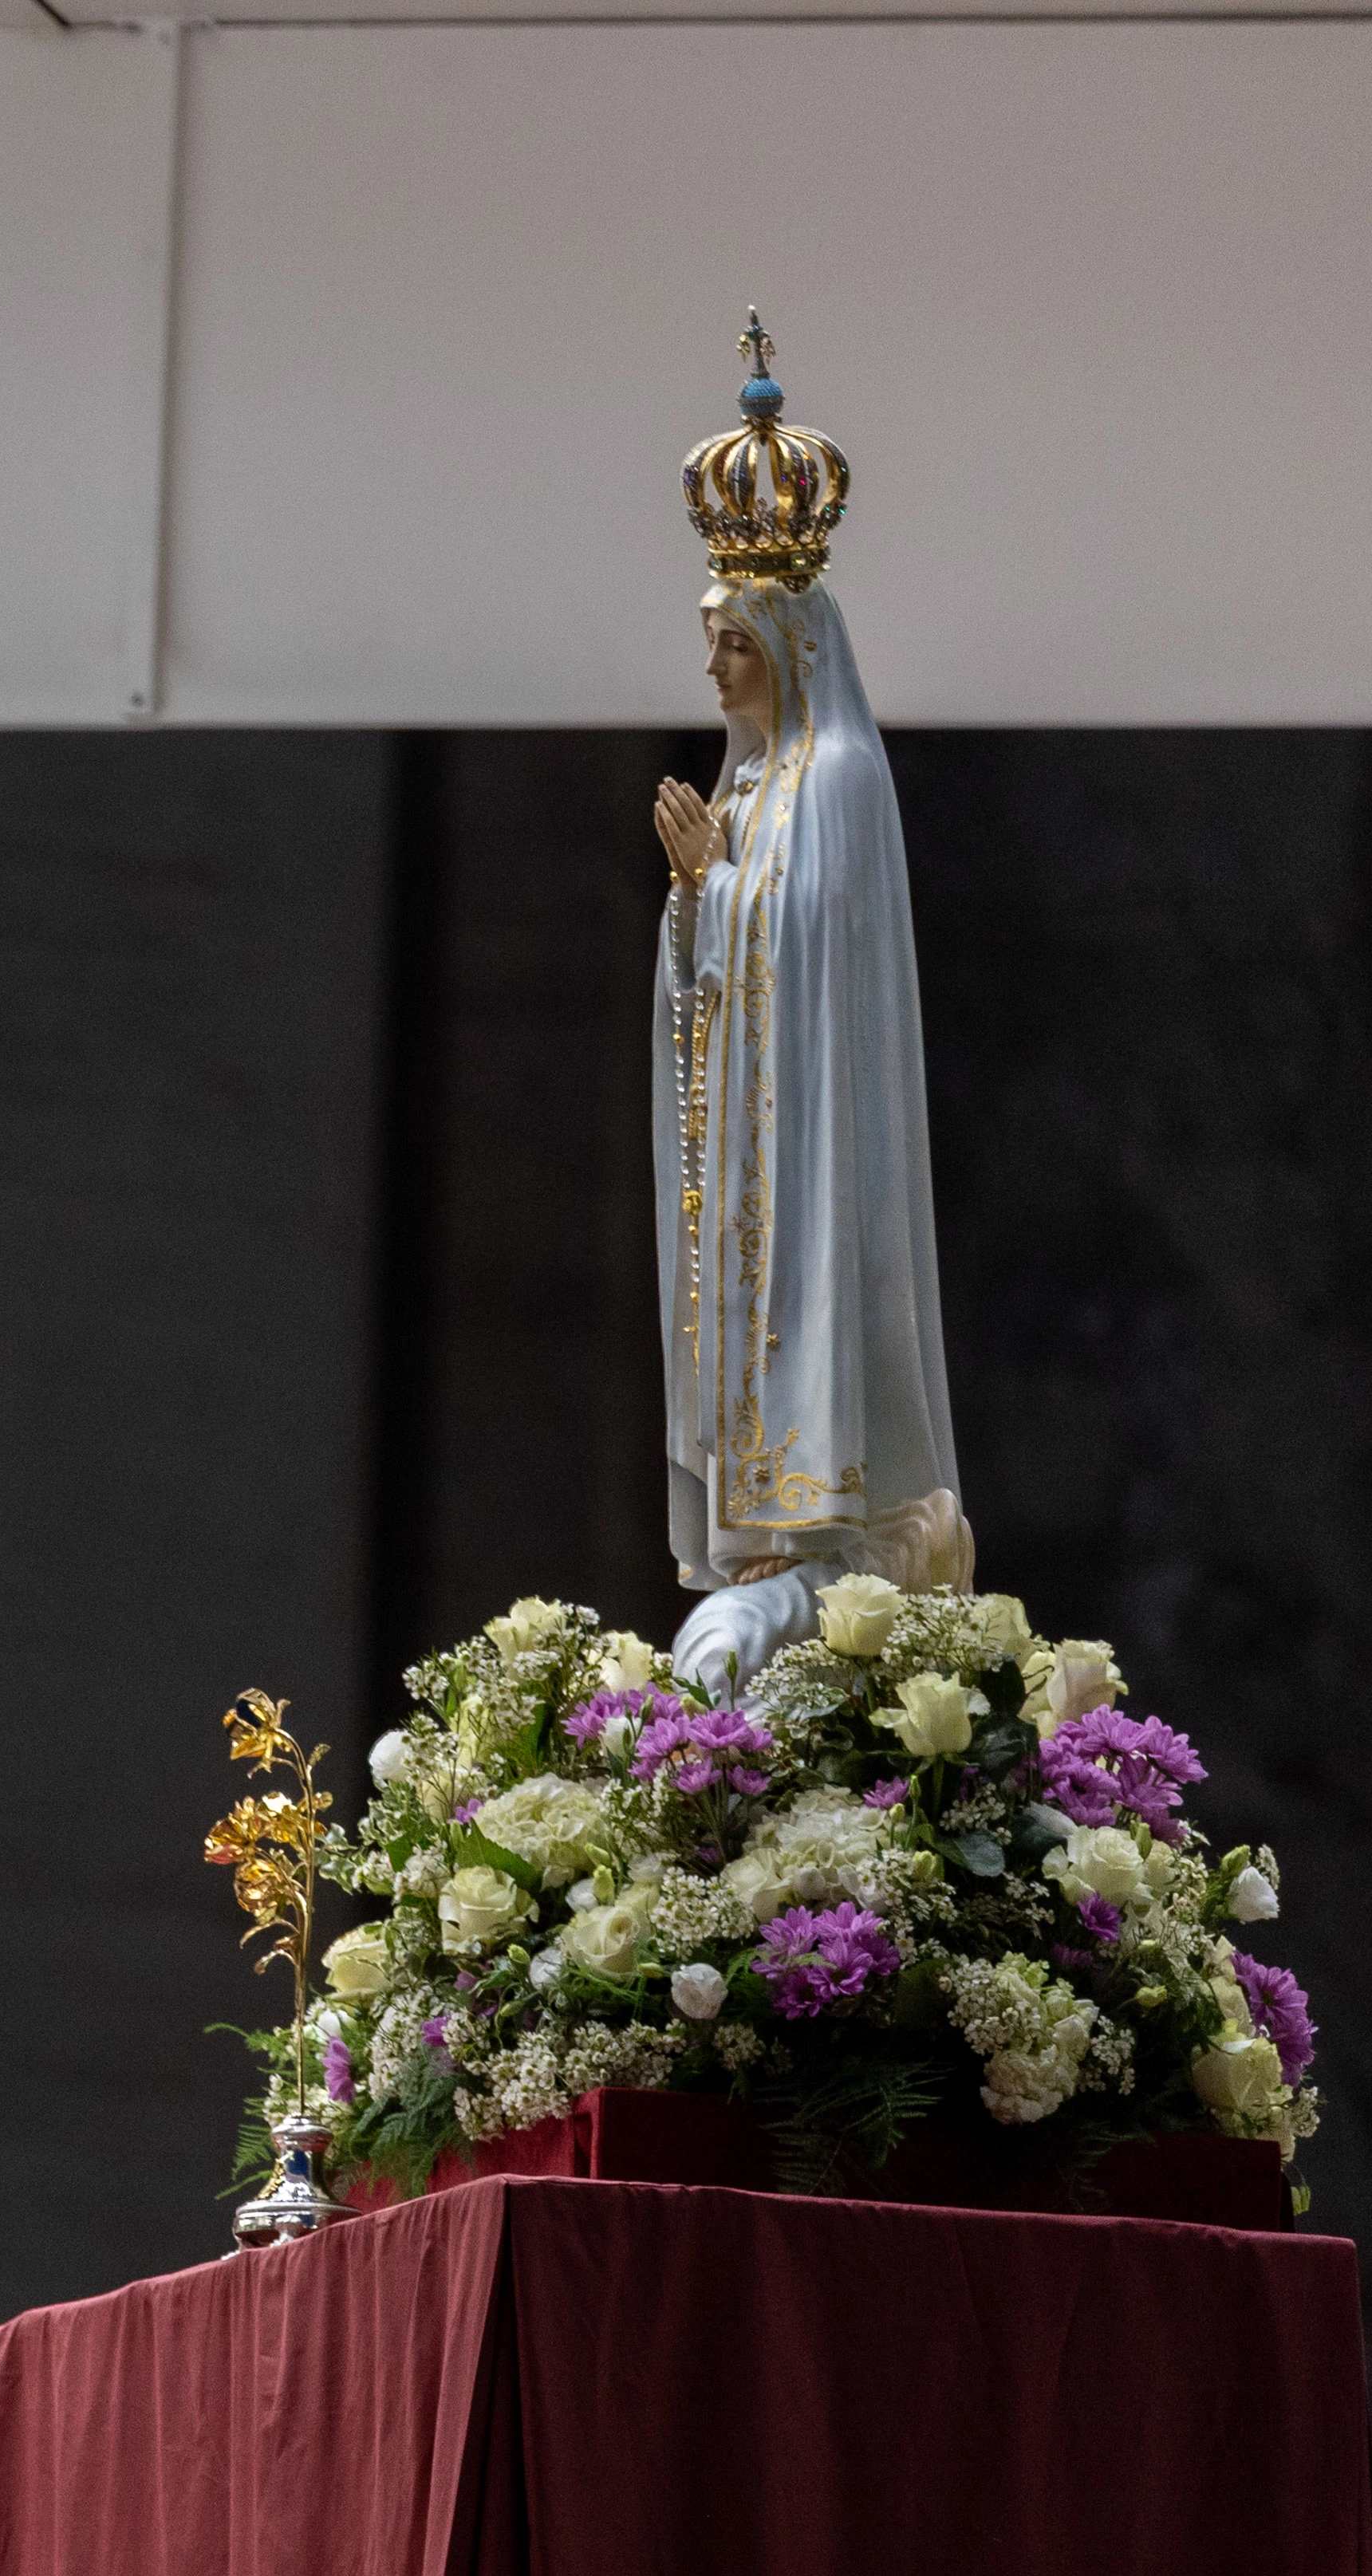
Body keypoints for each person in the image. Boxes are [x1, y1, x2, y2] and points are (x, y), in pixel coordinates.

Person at [647, 317, 969, 1696]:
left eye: (735, 645)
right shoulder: (744, 784)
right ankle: (761, 1550)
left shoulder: (830, 779)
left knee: (803, 1323)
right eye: (715, 644)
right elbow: (715, 973)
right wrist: (693, 908)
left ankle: (825, 1532)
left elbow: (816, 956)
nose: (717, 673)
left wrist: (718, 897)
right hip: (743, 1158)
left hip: (805, 1142)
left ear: (788, 638)